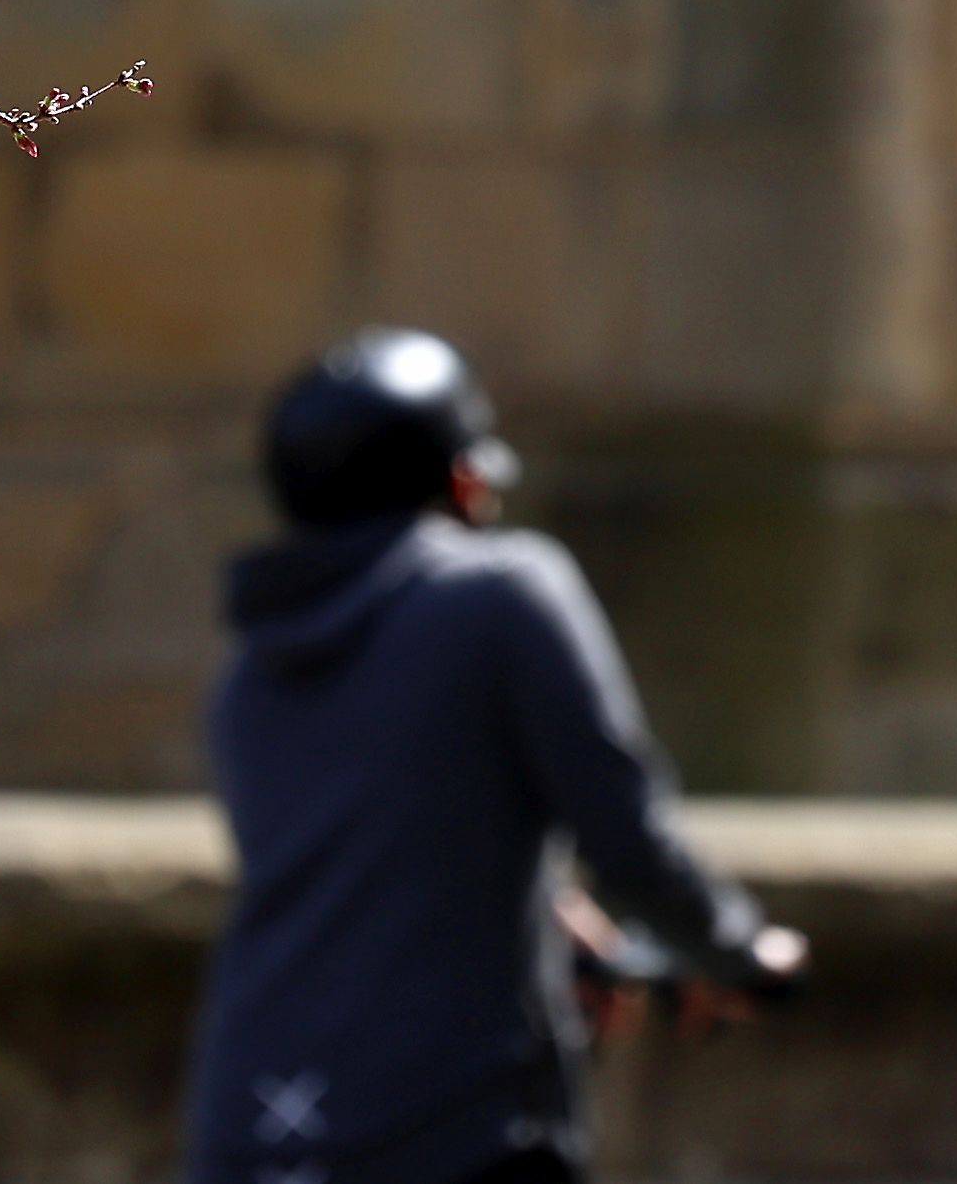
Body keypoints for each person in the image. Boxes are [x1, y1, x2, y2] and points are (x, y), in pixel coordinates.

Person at [184, 328, 807, 1184]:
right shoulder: (501, 595)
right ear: (461, 482)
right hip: (447, 1130)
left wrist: (547, 919)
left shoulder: (249, 677)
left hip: (253, 1128)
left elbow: (370, 859)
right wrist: (734, 950)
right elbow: (627, 840)